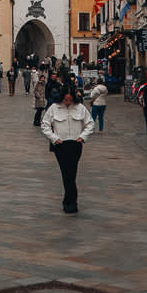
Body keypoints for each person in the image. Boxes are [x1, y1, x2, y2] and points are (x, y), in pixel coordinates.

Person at [41, 81, 95, 212]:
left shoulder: (80, 108)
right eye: (66, 100)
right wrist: (54, 138)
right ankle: (70, 202)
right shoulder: (54, 108)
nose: (68, 102)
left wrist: (82, 137)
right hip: (60, 144)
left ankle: (70, 201)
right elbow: (45, 125)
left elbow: (90, 124)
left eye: (70, 100)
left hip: (75, 144)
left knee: (72, 172)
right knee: (66, 173)